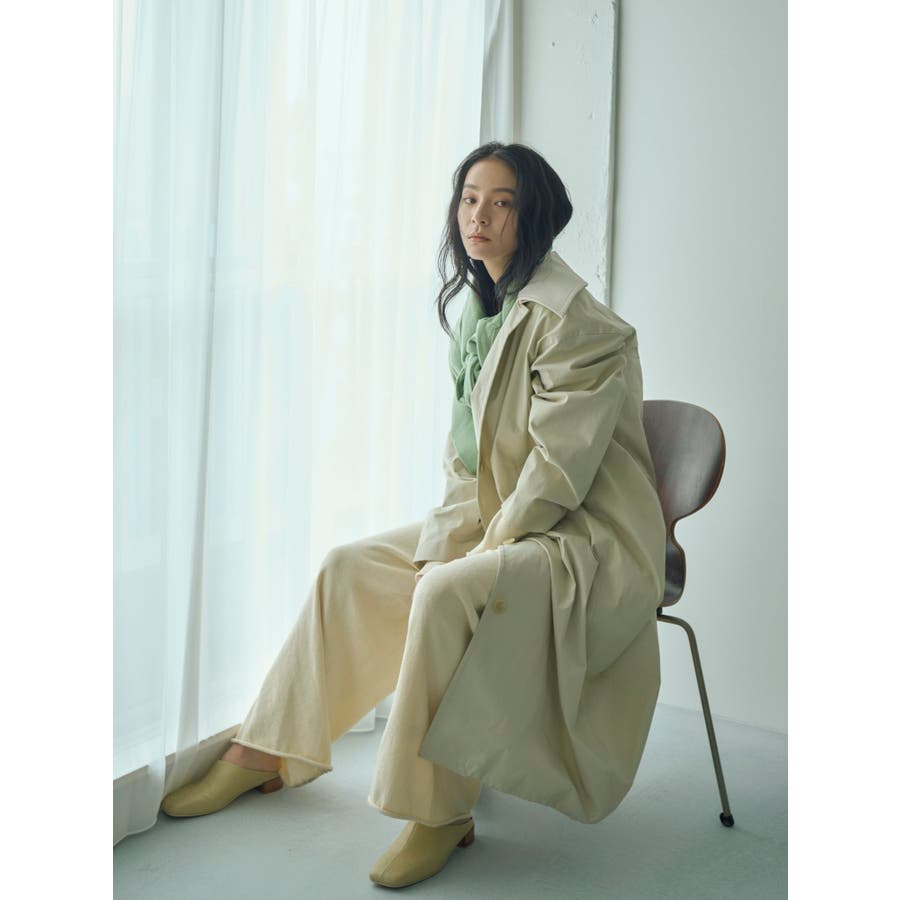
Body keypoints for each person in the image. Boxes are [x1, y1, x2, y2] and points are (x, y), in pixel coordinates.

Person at [160, 142, 666, 890]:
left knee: (443, 592)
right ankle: (267, 747)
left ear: (534, 216)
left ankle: (440, 813)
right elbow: (466, 461)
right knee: (352, 567)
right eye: (469, 198)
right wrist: (444, 542)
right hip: (505, 516)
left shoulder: (578, 323)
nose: (478, 216)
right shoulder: (477, 313)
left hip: (583, 537)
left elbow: (556, 476)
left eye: (501, 202)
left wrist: (471, 556)